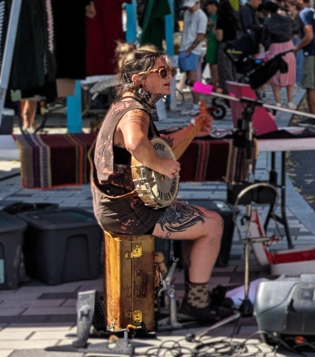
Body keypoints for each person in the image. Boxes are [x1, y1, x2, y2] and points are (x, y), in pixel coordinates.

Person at [91, 44, 224, 323]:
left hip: (121, 207)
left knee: (200, 221)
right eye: (162, 71)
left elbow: (161, 147)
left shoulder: (127, 106)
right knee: (213, 224)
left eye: (171, 71)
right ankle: (196, 304)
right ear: (139, 78)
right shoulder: (134, 111)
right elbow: (137, 143)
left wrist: (195, 127)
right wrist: (161, 165)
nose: (170, 76)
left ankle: (184, 294)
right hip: (130, 212)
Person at [261, 1, 298, 107]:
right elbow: (295, 31)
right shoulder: (287, 19)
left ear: (267, 11)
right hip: (288, 47)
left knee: (274, 75)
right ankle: (290, 101)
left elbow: (264, 40)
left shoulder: (268, 22)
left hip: (274, 47)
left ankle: (278, 102)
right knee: (289, 72)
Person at [177, 0, 207, 115]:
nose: (189, 8)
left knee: (194, 79)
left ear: (197, 3)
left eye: (191, 5)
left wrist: (190, 49)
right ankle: (195, 104)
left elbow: (200, 36)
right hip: (184, 48)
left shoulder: (201, 16)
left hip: (193, 50)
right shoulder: (186, 14)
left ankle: (197, 104)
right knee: (189, 79)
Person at [214, 0, 239, 87]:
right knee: (233, 71)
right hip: (234, 46)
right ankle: (235, 91)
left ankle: (227, 92)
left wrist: (215, 31)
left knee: (225, 72)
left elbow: (219, 37)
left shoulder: (221, 20)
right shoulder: (235, 19)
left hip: (224, 47)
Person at [204, 0, 219, 90]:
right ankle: (214, 83)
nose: (207, 9)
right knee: (211, 64)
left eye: (208, 7)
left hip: (214, 41)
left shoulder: (217, 17)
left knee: (214, 64)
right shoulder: (211, 16)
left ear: (213, 6)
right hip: (210, 41)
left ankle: (216, 84)